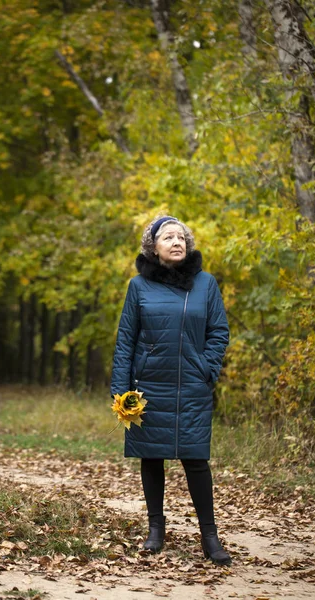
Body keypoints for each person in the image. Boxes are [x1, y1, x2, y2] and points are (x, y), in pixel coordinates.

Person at [111, 215, 231, 566]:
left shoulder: (205, 284)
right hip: (149, 386)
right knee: (152, 456)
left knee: (196, 459)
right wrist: (120, 388)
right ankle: (155, 530)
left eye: (182, 237)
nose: (177, 242)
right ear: (154, 246)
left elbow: (219, 331)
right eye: (168, 237)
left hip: (192, 385)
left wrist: (206, 368)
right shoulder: (139, 287)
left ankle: (210, 537)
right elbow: (125, 340)